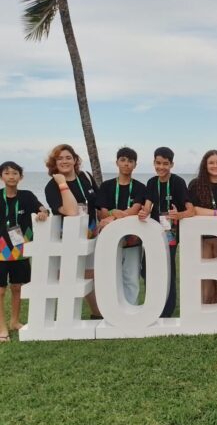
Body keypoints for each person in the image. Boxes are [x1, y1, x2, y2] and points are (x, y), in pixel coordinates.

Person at [44, 144, 101, 318]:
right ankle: (65, 315)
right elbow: (72, 211)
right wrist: (62, 183)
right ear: (54, 163)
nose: (64, 161)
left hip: (90, 234)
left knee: (90, 274)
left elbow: (97, 204)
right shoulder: (51, 186)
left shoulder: (86, 177)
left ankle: (97, 313)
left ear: (75, 160)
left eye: (68, 157)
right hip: (67, 237)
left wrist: (105, 219)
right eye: (59, 158)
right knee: (67, 274)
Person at [138, 147, 194, 317]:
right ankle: (154, 304)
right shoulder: (151, 182)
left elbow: (190, 211)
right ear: (154, 163)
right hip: (153, 233)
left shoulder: (178, 182)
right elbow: (147, 205)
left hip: (171, 234)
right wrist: (144, 212)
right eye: (158, 163)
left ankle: (167, 310)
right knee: (147, 268)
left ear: (171, 164)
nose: (161, 167)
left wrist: (179, 214)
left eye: (165, 163)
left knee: (168, 270)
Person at [0, 162, 48, 342]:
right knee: (0, 290)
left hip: (20, 247)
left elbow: (41, 208)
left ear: (21, 177)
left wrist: (43, 213)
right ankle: (2, 327)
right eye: (7, 173)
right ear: (1, 177)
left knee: (17, 287)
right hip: (0, 248)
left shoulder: (27, 196)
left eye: (15, 173)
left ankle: (14, 321)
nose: (11, 176)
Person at [96, 147, 146, 305]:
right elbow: (102, 213)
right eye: (123, 160)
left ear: (135, 165)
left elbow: (134, 210)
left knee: (131, 277)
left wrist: (114, 216)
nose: (126, 164)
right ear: (117, 162)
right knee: (110, 275)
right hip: (110, 240)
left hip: (133, 240)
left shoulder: (140, 187)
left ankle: (131, 310)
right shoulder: (106, 186)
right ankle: (113, 310)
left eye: (130, 161)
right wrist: (112, 212)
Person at [188, 150, 217, 304]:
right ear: (205, 165)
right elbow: (193, 209)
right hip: (203, 238)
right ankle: (205, 311)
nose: (215, 166)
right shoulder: (196, 184)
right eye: (211, 162)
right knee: (206, 278)